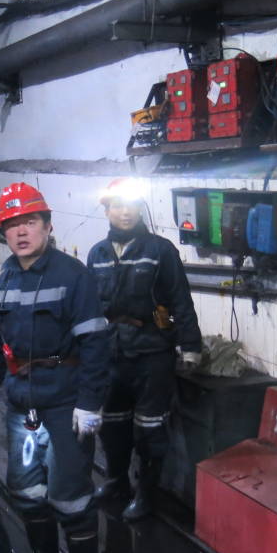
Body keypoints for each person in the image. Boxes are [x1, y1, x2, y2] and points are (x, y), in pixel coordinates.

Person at [0, 182, 109, 553]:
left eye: (29, 222)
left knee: (70, 497)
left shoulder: (73, 275)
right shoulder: (5, 281)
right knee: (27, 494)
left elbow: (96, 344)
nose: (21, 232)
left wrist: (90, 403)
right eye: (12, 225)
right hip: (22, 406)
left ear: (48, 226)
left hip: (65, 405)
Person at [86, 177, 202, 520]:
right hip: (111, 352)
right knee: (112, 424)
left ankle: (146, 493)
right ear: (106, 210)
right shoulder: (97, 254)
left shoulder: (160, 250)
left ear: (140, 209)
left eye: (132, 206)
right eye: (117, 206)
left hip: (152, 352)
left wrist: (190, 345)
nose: (125, 212)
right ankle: (116, 481)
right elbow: (88, 307)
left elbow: (180, 300)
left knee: (150, 427)